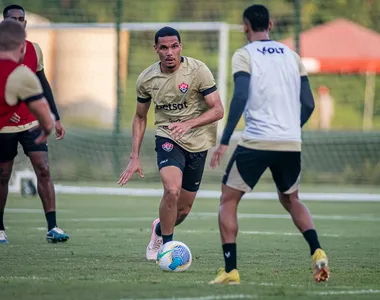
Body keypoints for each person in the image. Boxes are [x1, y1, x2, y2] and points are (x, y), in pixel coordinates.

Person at [208, 4, 329, 284]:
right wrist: (290, 128)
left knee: (228, 199)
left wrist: (224, 140)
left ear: (245, 27)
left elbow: (239, 97)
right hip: (290, 141)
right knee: (291, 199)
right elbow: (308, 103)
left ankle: (230, 271)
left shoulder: (244, 54)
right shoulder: (292, 55)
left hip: (257, 140)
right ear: (271, 25)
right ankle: (317, 249)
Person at [118, 26, 224, 260]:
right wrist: (134, 156)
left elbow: (218, 109)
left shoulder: (198, 71)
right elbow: (140, 116)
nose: (169, 52)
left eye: (174, 46)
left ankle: (158, 229)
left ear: (180, 47)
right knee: (171, 189)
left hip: (198, 142)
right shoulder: (147, 79)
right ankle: (167, 248)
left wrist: (189, 124)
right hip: (168, 137)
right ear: (156, 49)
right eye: (164, 47)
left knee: (183, 210)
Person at [0, 4, 69, 244]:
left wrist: (55, 117)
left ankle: (53, 227)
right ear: (4, 23)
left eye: (22, 19)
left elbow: (43, 85)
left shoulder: (34, 50)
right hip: (4, 126)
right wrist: (8, 113)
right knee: (3, 174)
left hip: (31, 123)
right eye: (13, 19)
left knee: (44, 168)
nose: (18, 23)